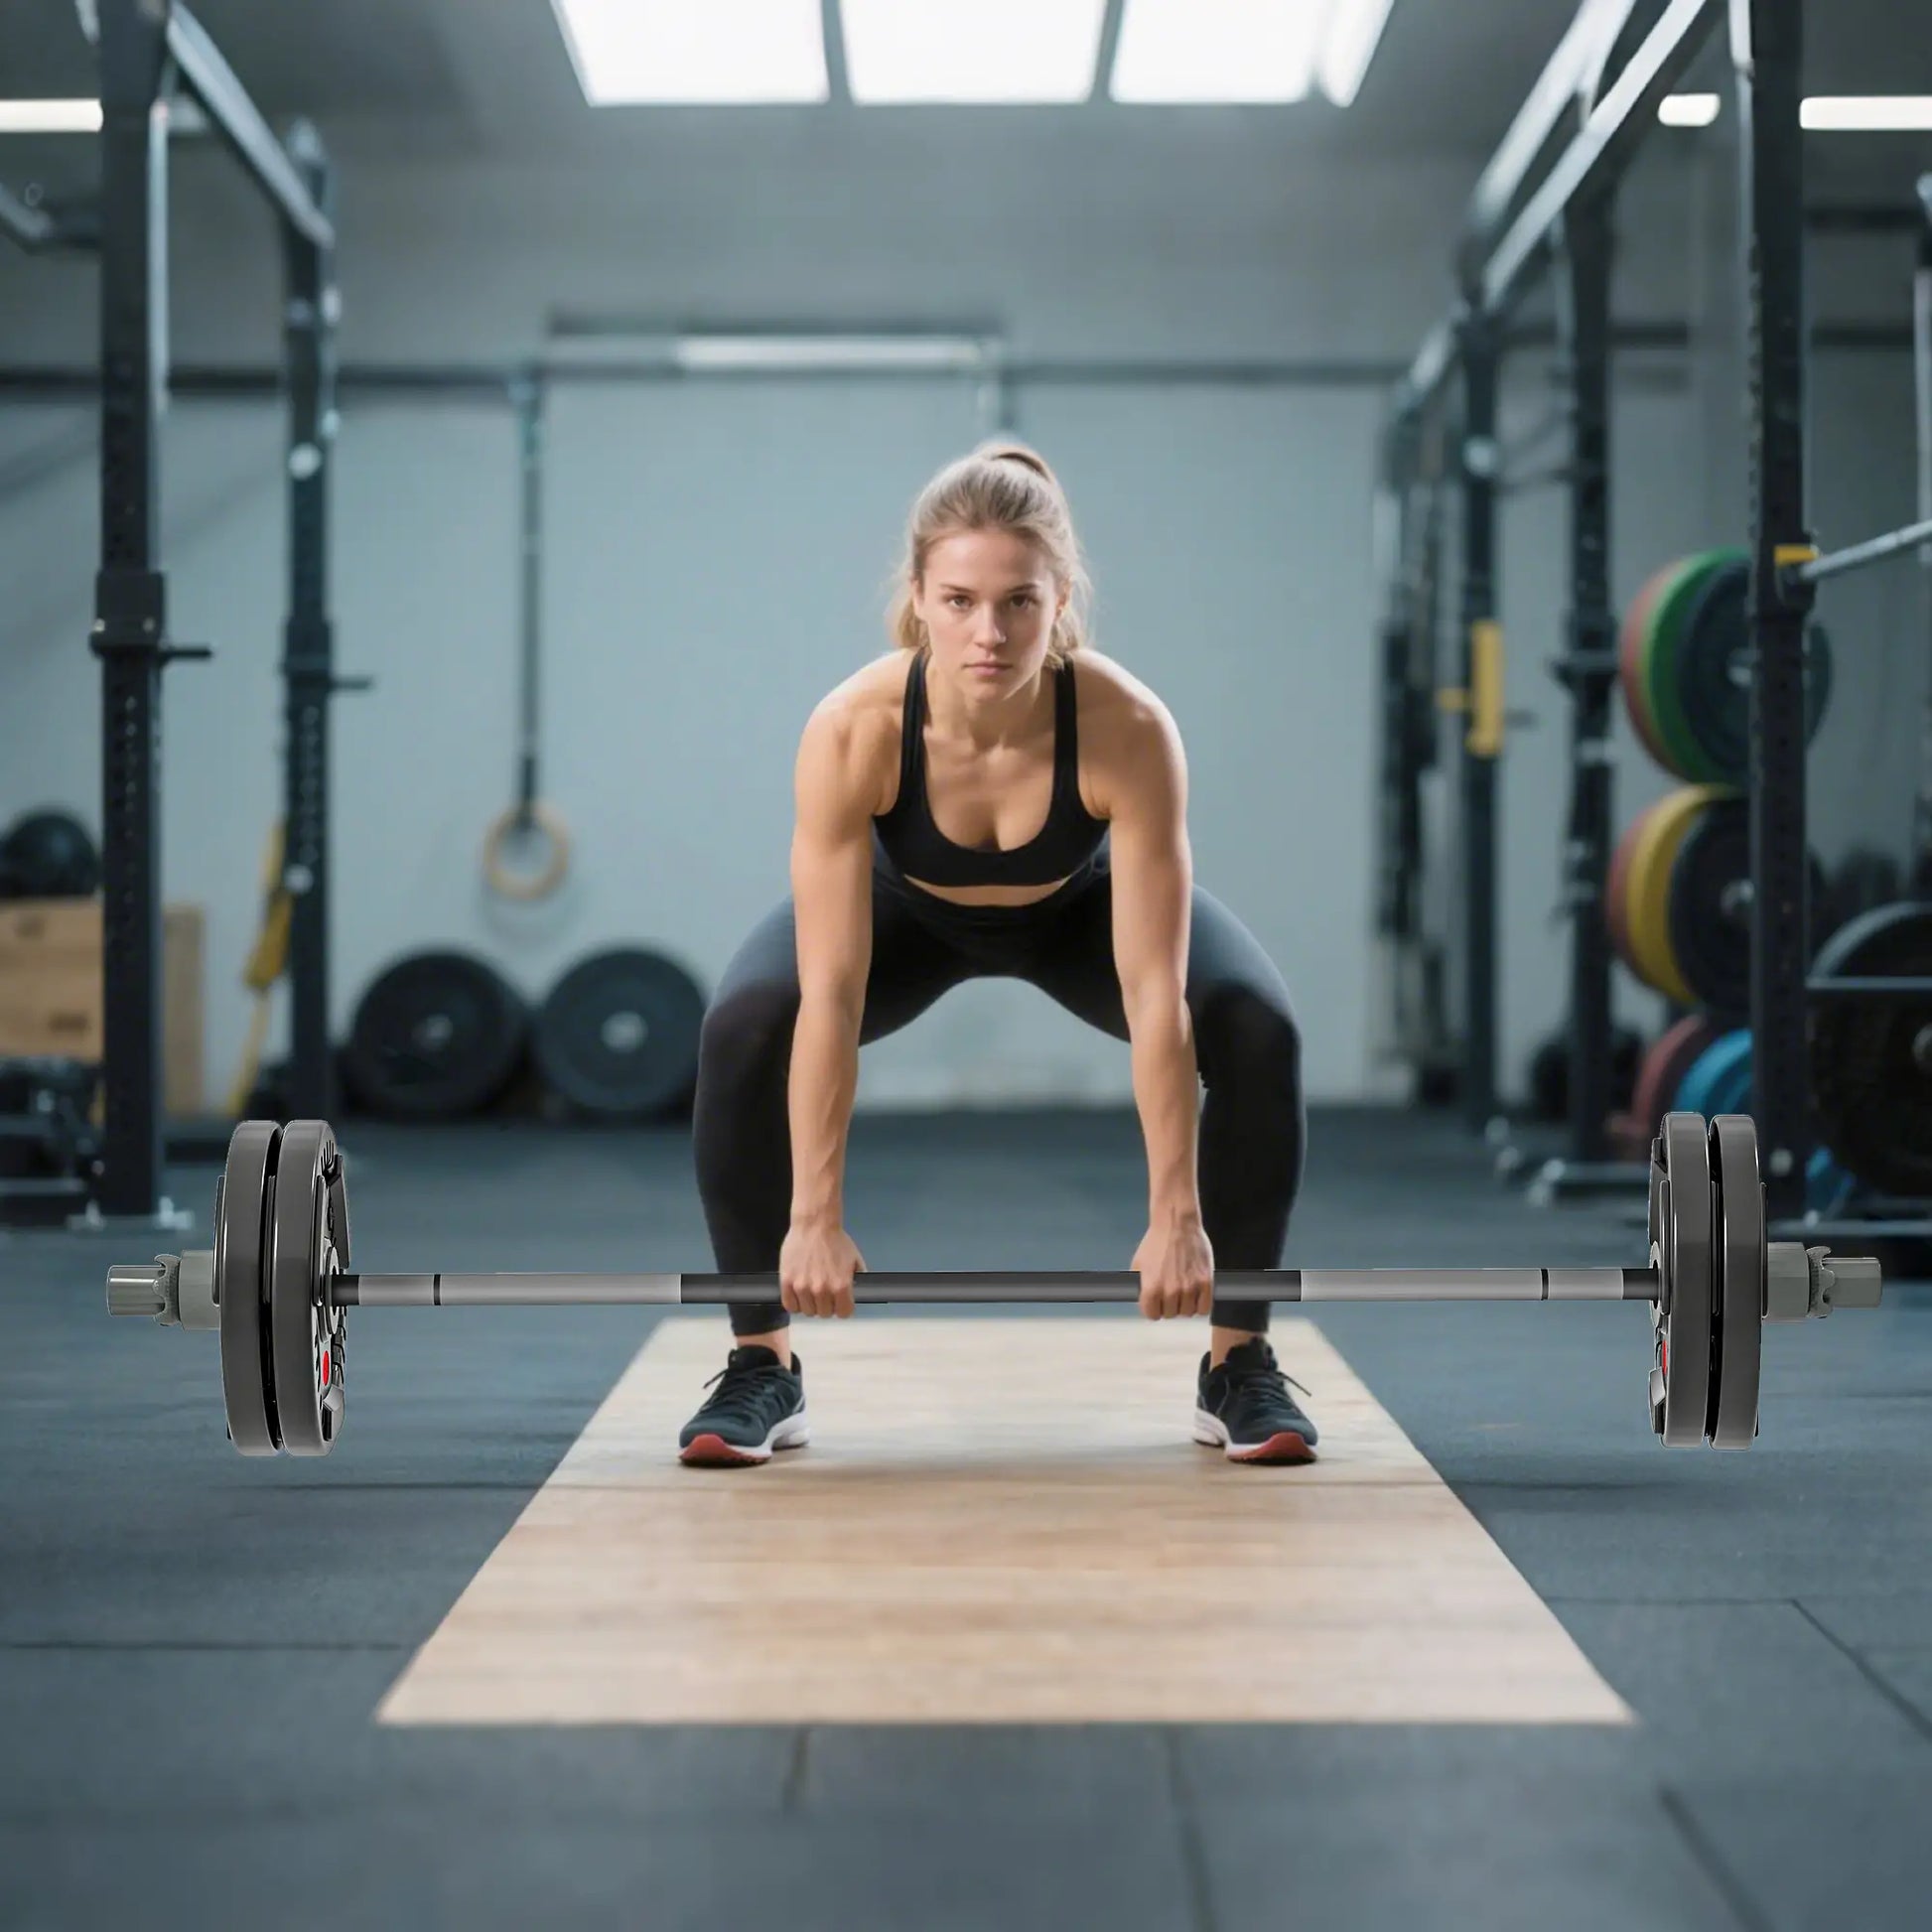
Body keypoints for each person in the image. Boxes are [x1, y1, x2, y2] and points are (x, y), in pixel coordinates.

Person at [682, 441, 1316, 1467]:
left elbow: (1156, 993)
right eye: (961, 599)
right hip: (904, 917)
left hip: (1078, 908)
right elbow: (834, 992)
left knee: (1253, 1023)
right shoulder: (852, 729)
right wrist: (812, 1218)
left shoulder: (1127, 727)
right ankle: (761, 1363)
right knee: (748, 1022)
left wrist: (1175, 1216)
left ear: (1060, 597)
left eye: (1019, 601)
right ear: (918, 599)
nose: (989, 631)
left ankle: (1236, 1361)